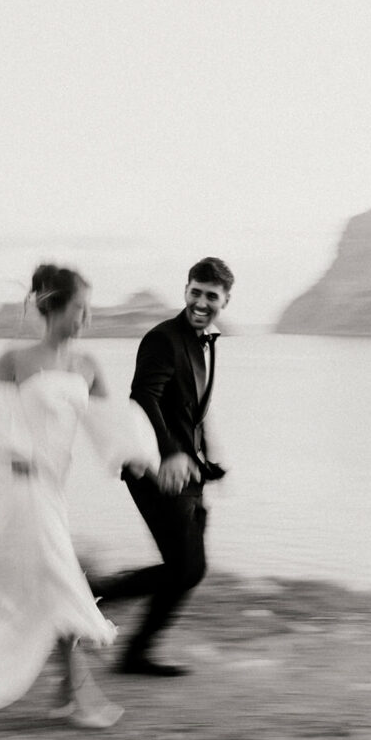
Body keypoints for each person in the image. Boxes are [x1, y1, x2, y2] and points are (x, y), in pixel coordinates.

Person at [0, 264, 157, 727]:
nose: (86, 318)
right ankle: (78, 694)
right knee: (61, 581)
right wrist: (18, 451)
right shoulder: (14, 360)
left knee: (38, 590)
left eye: (88, 309)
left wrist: (137, 457)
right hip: (22, 488)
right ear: (53, 307)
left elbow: (109, 424)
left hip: (54, 490)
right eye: (79, 308)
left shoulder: (87, 365)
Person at [93, 256, 234, 677]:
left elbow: (195, 408)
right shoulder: (163, 338)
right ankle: (86, 595)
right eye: (196, 292)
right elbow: (144, 397)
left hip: (189, 471)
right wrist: (171, 453)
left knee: (188, 570)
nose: (202, 302)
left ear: (225, 300)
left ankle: (135, 652)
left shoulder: (203, 342)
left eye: (211, 296)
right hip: (153, 471)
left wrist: (211, 457)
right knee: (186, 568)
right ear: (185, 290)